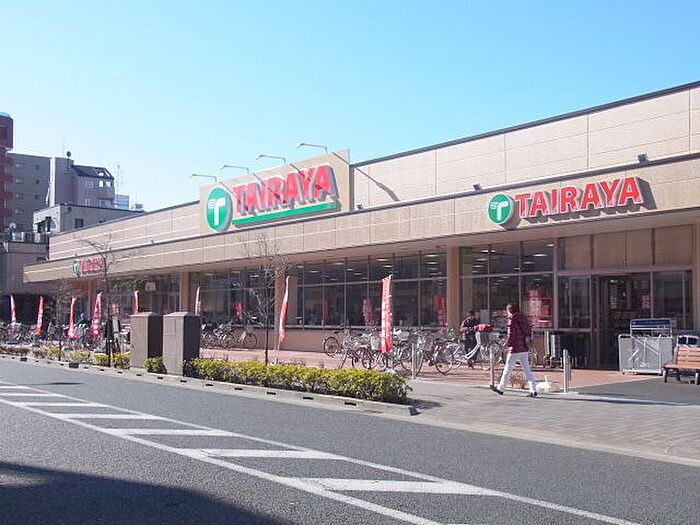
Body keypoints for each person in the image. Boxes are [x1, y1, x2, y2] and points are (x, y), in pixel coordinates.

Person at [490, 303, 538, 397]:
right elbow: (527, 331)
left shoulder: (511, 320)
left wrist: (507, 344)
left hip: (515, 348)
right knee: (527, 370)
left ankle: (501, 388)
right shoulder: (523, 319)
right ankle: (533, 390)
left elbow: (511, 335)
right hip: (524, 347)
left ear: (510, 311)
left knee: (507, 369)